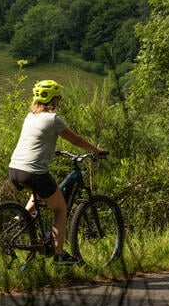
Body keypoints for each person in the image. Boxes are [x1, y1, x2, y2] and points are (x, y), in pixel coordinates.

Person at [8, 79, 108, 265]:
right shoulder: (52, 119)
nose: (59, 101)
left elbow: (37, 141)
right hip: (34, 172)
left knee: (40, 190)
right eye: (58, 98)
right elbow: (76, 140)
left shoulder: (30, 117)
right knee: (60, 208)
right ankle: (59, 255)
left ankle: (21, 215)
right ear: (54, 100)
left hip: (15, 169)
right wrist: (96, 150)